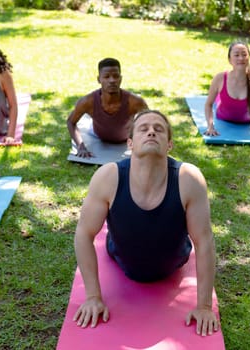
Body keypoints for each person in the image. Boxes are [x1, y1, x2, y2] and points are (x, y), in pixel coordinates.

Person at [73, 110, 219, 336]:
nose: (151, 131)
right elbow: (83, 233)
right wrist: (92, 297)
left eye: (159, 129)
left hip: (174, 262)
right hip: (121, 259)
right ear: (130, 143)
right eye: (144, 128)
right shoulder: (108, 177)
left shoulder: (189, 179)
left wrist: (204, 307)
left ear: (169, 144)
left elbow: (204, 241)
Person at [66, 57, 149, 158]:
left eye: (116, 76)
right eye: (106, 76)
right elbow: (71, 122)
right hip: (98, 135)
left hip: (126, 139)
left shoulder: (135, 102)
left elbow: (151, 122)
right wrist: (81, 146)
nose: (112, 80)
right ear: (99, 79)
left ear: (121, 78)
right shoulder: (87, 102)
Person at [204, 41, 250, 140]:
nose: (241, 58)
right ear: (229, 59)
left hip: (248, 120)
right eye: (236, 55)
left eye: (244, 54)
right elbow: (208, 104)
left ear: (249, 57)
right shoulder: (220, 78)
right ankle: (220, 97)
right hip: (223, 116)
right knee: (218, 99)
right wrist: (210, 127)